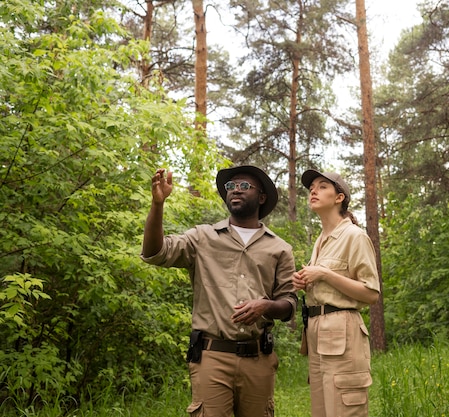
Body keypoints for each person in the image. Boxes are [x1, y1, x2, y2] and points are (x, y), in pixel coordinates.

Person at [141, 165, 297, 417]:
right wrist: (157, 205)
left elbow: (289, 304)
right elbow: (154, 253)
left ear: (261, 196)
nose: (235, 190)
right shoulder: (203, 237)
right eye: (230, 186)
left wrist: (265, 306)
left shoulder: (279, 248)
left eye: (244, 186)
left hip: (258, 360)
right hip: (211, 358)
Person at [292, 170, 380, 417]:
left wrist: (324, 274)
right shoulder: (320, 239)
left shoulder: (354, 236)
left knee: (344, 409)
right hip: (316, 332)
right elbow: (324, 282)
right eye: (311, 187)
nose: (313, 190)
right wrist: (305, 282)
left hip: (343, 330)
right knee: (321, 411)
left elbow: (371, 294)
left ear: (339, 197)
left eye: (321, 186)